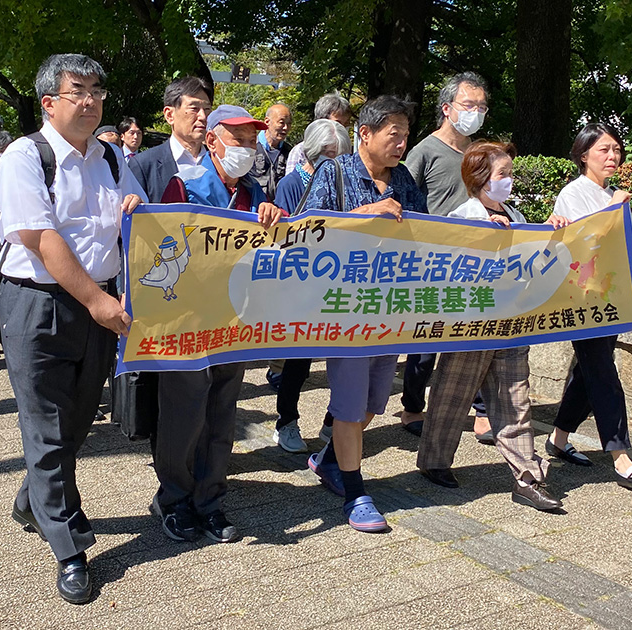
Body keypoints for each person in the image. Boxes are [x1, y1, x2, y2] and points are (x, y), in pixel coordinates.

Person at [0, 54, 145, 605]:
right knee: (47, 425)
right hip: (39, 304)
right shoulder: (23, 157)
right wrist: (97, 301)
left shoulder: (108, 157)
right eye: (76, 91)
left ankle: (34, 498)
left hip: (98, 304)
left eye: (97, 91)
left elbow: (134, 216)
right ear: (49, 103)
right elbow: (41, 238)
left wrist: (134, 209)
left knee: (78, 419)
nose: (90, 101)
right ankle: (71, 547)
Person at [151, 104, 282, 545]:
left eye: (251, 142)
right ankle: (173, 500)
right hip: (185, 323)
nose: (247, 149)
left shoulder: (253, 194)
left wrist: (273, 219)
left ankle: (209, 500)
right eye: (238, 140)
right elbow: (160, 249)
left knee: (221, 416)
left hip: (233, 323)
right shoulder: (182, 186)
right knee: (183, 417)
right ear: (212, 141)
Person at [300, 95, 426, 533]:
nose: (402, 144)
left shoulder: (405, 179)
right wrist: (363, 216)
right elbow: (304, 235)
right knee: (351, 405)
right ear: (366, 134)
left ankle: (329, 458)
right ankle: (357, 495)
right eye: (395, 134)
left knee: (374, 401)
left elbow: (429, 232)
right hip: (344, 310)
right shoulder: (334, 174)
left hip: (389, 309)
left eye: (406, 136)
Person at [416, 141, 564, 511]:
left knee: (516, 398)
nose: (509, 180)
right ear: (480, 177)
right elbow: (450, 269)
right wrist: (484, 235)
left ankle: (527, 477)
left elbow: (532, 258)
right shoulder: (464, 216)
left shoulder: (513, 212)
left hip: (511, 322)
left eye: (510, 173)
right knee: (452, 395)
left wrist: (550, 231)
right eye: (503, 174)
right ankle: (434, 461)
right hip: (472, 323)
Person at [545, 122, 632, 490]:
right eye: (603, 150)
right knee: (604, 374)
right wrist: (612, 207)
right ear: (583, 156)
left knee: (589, 371)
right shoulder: (574, 195)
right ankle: (621, 456)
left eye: (616, 150)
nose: (612, 157)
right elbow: (583, 244)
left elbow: (628, 253)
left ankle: (558, 439)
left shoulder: (616, 196)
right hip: (583, 301)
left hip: (613, 298)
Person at [400, 72, 492, 440]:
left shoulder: (480, 154)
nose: (476, 112)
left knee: (477, 335)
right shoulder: (424, 151)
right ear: (447, 108)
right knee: (426, 342)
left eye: (482, 107)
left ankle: (482, 411)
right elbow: (406, 198)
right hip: (433, 261)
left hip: (476, 261)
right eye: (469, 105)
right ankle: (411, 408)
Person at [268, 118, 351, 453]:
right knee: (298, 362)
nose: (333, 162)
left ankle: (333, 422)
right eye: (327, 154)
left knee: (343, 361)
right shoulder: (291, 183)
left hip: (339, 280)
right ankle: (286, 422)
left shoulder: (348, 182)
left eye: (340, 155)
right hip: (301, 283)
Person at [128, 77, 212, 202]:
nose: (203, 117)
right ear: (169, 115)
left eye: (207, 109)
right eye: (194, 109)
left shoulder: (219, 163)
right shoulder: (144, 165)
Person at [287, 91, 353, 171]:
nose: (342, 128)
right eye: (337, 123)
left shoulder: (347, 151)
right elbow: (292, 181)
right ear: (322, 121)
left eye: (346, 124)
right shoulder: (300, 151)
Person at [250, 103, 292, 201]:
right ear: (267, 121)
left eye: (289, 124)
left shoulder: (289, 152)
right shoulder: (252, 147)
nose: (286, 127)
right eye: (281, 122)